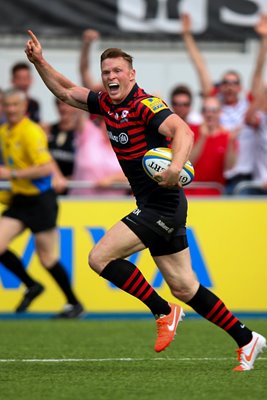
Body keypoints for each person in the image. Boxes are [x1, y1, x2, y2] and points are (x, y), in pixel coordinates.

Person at [25, 30, 266, 371]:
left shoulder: (145, 105)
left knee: (99, 257)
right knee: (184, 286)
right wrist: (39, 62)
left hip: (161, 204)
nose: (111, 77)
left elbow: (183, 131)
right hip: (159, 205)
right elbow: (65, 91)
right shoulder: (107, 104)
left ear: (132, 74)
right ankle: (246, 338)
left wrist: (176, 167)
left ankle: (163, 311)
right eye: (106, 71)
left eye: (117, 71)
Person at [0, 88, 84, 318]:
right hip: (21, 200)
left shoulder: (31, 132)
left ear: (24, 107)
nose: (11, 109)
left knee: (47, 258)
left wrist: (13, 175)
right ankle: (31, 285)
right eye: (7, 105)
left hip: (41, 200)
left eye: (15, 105)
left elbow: (46, 167)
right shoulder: (5, 131)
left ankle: (74, 303)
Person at [181, 13, 267, 193]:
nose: (230, 86)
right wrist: (187, 36)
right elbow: (201, 68)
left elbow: (258, 73)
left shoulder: (247, 104)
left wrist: (264, 39)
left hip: (245, 178)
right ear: (221, 87)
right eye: (226, 83)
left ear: (240, 87)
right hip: (221, 177)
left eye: (234, 83)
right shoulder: (214, 106)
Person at [187, 96, 236, 196]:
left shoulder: (227, 136)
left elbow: (229, 167)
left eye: (213, 111)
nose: (209, 114)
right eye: (206, 110)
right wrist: (202, 138)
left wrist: (230, 142)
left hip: (215, 194)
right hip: (189, 191)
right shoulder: (190, 130)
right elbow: (187, 163)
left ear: (220, 113)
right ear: (202, 113)